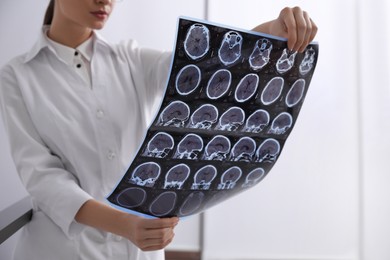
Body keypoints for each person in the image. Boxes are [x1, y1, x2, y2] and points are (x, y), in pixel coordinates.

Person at [0, 0, 317, 259]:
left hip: (140, 246)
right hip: (61, 251)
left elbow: (211, 71)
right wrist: (125, 224)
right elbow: (43, 178)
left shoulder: (129, 58)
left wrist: (273, 31)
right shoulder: (17, 76)